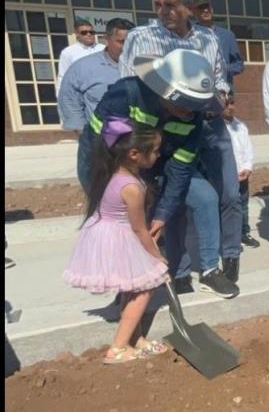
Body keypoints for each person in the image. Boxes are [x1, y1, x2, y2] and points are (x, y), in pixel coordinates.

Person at [80, 48, 239, 299]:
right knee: (126, 223)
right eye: (187, 104)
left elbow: (181, 168)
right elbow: (101, 150)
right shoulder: (126, 95)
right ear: (166, 90)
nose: (192, 111)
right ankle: (126, 285)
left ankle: (208, 271)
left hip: (160, 162)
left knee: (205, 198)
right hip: (111, 166)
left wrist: (162, 214)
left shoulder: (192, 119)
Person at [119, 0, 243, 295]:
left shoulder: (208, 38)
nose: (164, 11)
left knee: (228, 193)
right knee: (172, 196)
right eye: (158, 4)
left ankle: (227, 258)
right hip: (162, 132)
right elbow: (129, 88)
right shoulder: (141, 37)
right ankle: (180, 270)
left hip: (208, 125)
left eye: (171, 4)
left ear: (188, 8)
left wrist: (220, 100)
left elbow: (219, 81)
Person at [63, 119, 170, 364]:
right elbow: (139, 229)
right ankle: (118, 348)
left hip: (107, 232)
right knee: (144, 289)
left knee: (131, 287)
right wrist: (157, 257)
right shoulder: (132, 186)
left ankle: (136, 338)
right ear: (134, 154)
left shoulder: (112, 173)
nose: (157, 155)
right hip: (120, 237)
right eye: (154, 150)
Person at [58, 18, 134, 132]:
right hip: (100, 142)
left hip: (140, 142)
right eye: (122, 42)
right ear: (106, 39)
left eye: (132, 42)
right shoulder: (82, 67)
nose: (127, 47)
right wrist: (83, 134)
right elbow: (69, 100)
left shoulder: (144, 66)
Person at [222, 92, 259, 251]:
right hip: (226, 176)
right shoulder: (217, 128)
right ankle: (231, 238)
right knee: (229, 207)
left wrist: (247, 168)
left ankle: (244, 232)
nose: (230, 108)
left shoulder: (240, 126)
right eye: (225, 105)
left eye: (232, 103)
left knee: (243, 205)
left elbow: (247, 150)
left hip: (242, 174)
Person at [191, 0, 245, 85]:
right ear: (194, 12)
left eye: (208, 7)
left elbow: (238, 64)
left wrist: (221, 69)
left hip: (222, 91)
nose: (206, 10)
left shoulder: (227, 35)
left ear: (212, 9)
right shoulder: (189, 34)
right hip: (196, 88)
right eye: (201, 8)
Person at [56, 20, 105, 94]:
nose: (89, 34)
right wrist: (60, 97)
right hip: (80, 93)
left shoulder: (104, 49)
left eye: (91, 32)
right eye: (84, 33)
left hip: (103, 91)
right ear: (77, 34)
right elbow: (63, 76)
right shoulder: (68, 52)